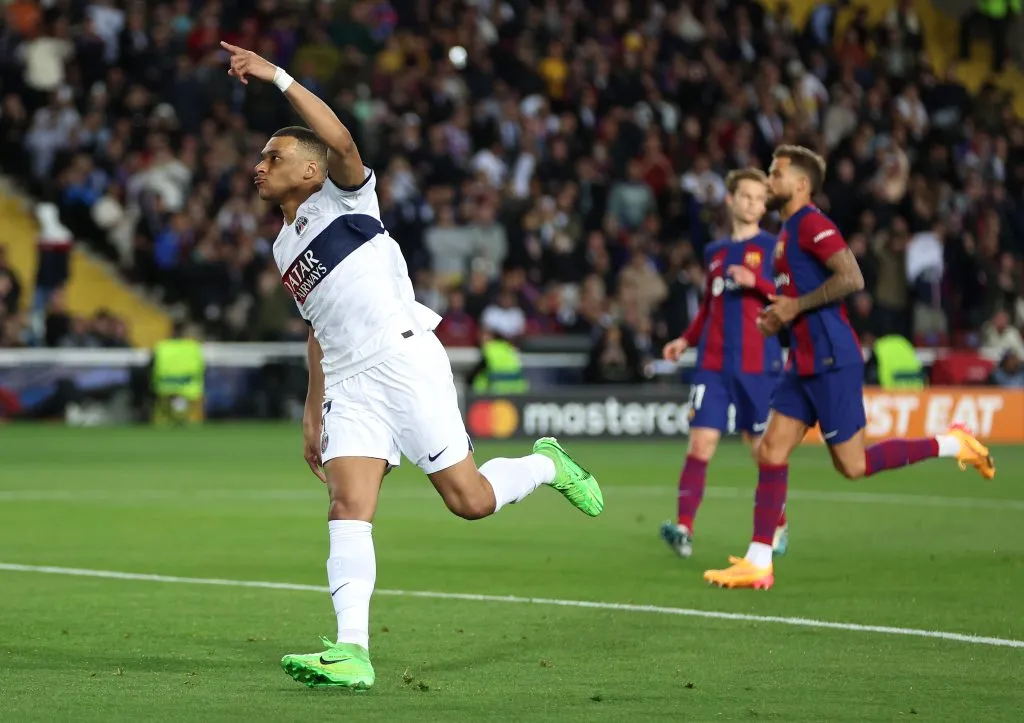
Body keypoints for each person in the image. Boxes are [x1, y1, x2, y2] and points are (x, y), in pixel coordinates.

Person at [220, 42, 603, 690]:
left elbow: (339, 137)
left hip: (402, 356)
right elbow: (317, 331)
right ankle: (352, 649)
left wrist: (277, 75)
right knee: (348, 502)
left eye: (274, 156)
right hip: (347, 379)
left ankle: (547, 464)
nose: (259, 166)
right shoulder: (284, 244)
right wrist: (312, 415)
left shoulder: (347, 201)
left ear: (311, 170)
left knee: (470, 500)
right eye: (261, 157)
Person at [703, 146, 996, 591]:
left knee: (852, 466)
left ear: (800, 184)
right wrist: (778, 313)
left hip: (831, 360)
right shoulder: (785, 233)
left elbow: (852, 277)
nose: (768, 180)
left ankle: (952, 443)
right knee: (770, 451)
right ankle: (759, 560)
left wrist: (793, 307)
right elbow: (795, 297)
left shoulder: (812, 223)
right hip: (801, 362)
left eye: (775, 173)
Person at [659, 169, 786, 559]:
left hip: (757, 364)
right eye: (745, 196)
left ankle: (776, 523)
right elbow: (709, 307)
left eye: (758, 198)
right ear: (731, 200)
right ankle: (683, 527)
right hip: (713, 365)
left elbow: (788, 297)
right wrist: (686, 338)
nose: (752, 204)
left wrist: (756, 282)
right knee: (701, 442)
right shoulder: (714, 252)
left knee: (761, 450)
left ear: (765, 206)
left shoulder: (774, 247)